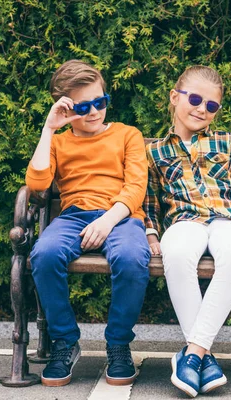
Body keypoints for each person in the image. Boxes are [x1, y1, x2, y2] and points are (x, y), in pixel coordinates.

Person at [144, 65, 231, 397]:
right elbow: (147, 203)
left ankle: (192, 356)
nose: (202, 109)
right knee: (176, 253)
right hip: (183, 222)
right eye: (194, 99)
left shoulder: (229, 142)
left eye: (211, 106)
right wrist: (150, 234)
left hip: (230, 220)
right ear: (175, 98)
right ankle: (204, 357)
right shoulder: (155, 152)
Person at [26, 59, 150, 387]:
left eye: (100, 102)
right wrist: (49, 129)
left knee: (131, 258)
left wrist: (108, 221)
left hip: (121, 216)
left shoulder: (127, 135)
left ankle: (119, 344)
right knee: (45, 254)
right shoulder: (59, 141)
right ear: (65, 107)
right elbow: (38, 186)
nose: (94, 112)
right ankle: (65, 342)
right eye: (83, 106)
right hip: (73, 217)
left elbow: (136, 186)